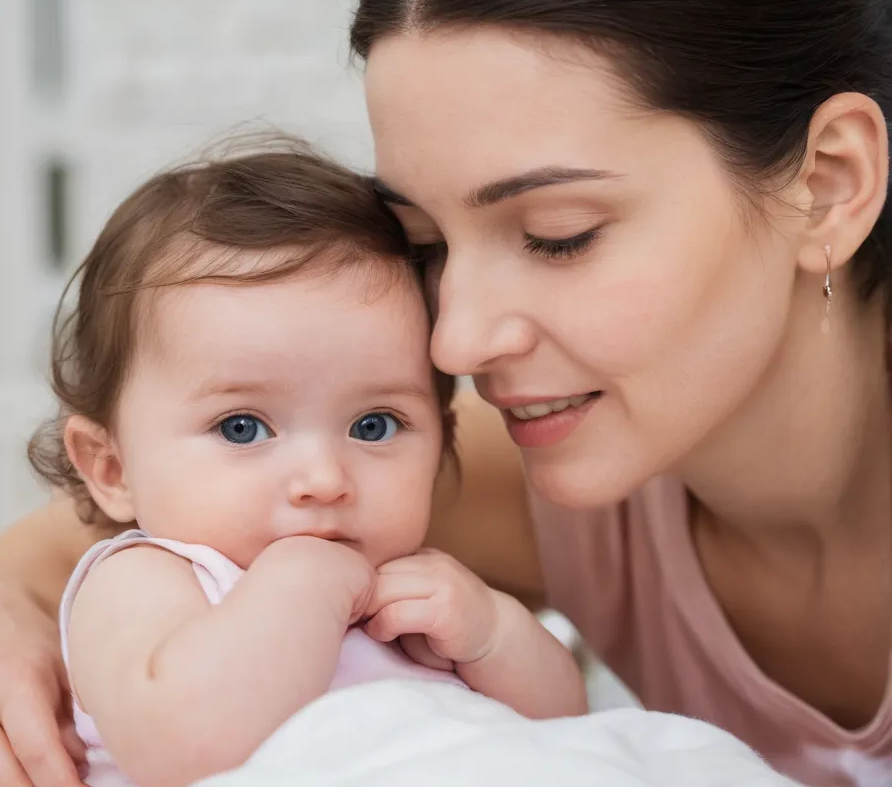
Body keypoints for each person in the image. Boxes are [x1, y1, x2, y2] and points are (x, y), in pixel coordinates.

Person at [0, 0, 892, 785]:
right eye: (427, 247)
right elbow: (88, 528)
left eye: (558, 233)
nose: (456, 339)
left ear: (830, 184)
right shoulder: (513, 468)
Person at [30, 144, 584, 787]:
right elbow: (182, 749)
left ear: (441, 441)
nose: (324, 480)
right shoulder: (147, 582)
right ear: (111, 469)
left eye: (373, 426)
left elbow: (569, 729)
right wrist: (304, 587)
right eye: (242, 428)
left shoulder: (420, 592)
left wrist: (491, 636)